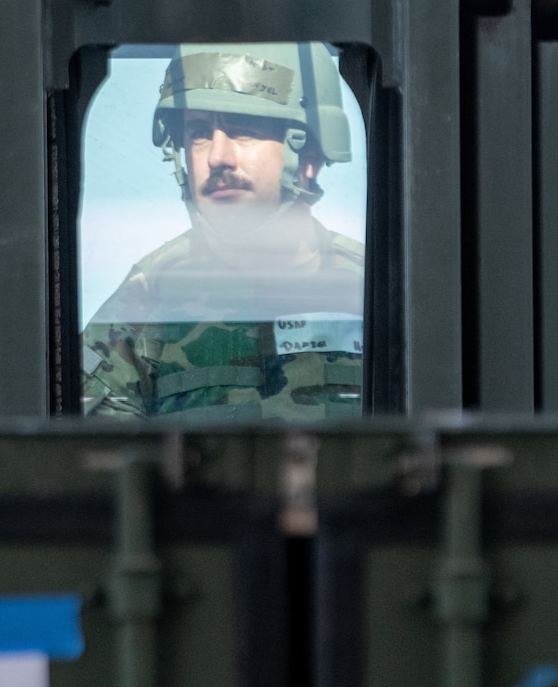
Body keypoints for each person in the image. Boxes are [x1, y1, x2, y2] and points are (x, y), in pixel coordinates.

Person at [83, 42, 364, 420]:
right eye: (198, 133)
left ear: (308, 155)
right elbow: (90, 460)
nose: (217, 157)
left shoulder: (370, 287)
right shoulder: (149, 294)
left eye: (243, 130)